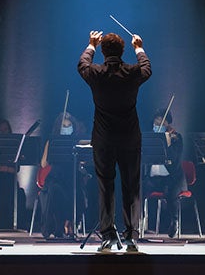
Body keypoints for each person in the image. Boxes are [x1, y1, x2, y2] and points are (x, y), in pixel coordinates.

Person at [78, 30, 151, 253]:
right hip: (129, 138)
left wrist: (90, 45)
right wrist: (139, 47)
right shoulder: (131, 72)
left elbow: (82, 64)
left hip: (104, 139)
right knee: (132, 187)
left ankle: (108, 237)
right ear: (122, 51)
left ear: (102, 51)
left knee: (105, 186)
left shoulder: (96, 73)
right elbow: (147, 68)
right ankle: (131, 238)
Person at [38, 111, 87, 239]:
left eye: (69, 126)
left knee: (77, 194)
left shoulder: (76, 141)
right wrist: (50, 150)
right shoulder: (52, 141)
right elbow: (43, 164)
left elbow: (84, 160)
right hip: (56, 177)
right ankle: (56, 227)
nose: (67, 129)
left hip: (72, 177)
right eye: (64, 127)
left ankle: (70, 223)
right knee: (55, 191)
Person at [144, 108, 187, 238]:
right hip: (152, 178)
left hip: (171, 177)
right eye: (156, 122)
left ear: (168, 124)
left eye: (162, 122)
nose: (158, 125)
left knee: (170, 192)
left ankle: (174, 222)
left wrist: (168, 142)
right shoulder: (148, 137)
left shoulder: (176, 138)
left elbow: (174, 159)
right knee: (137, 190)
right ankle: (138, 225)